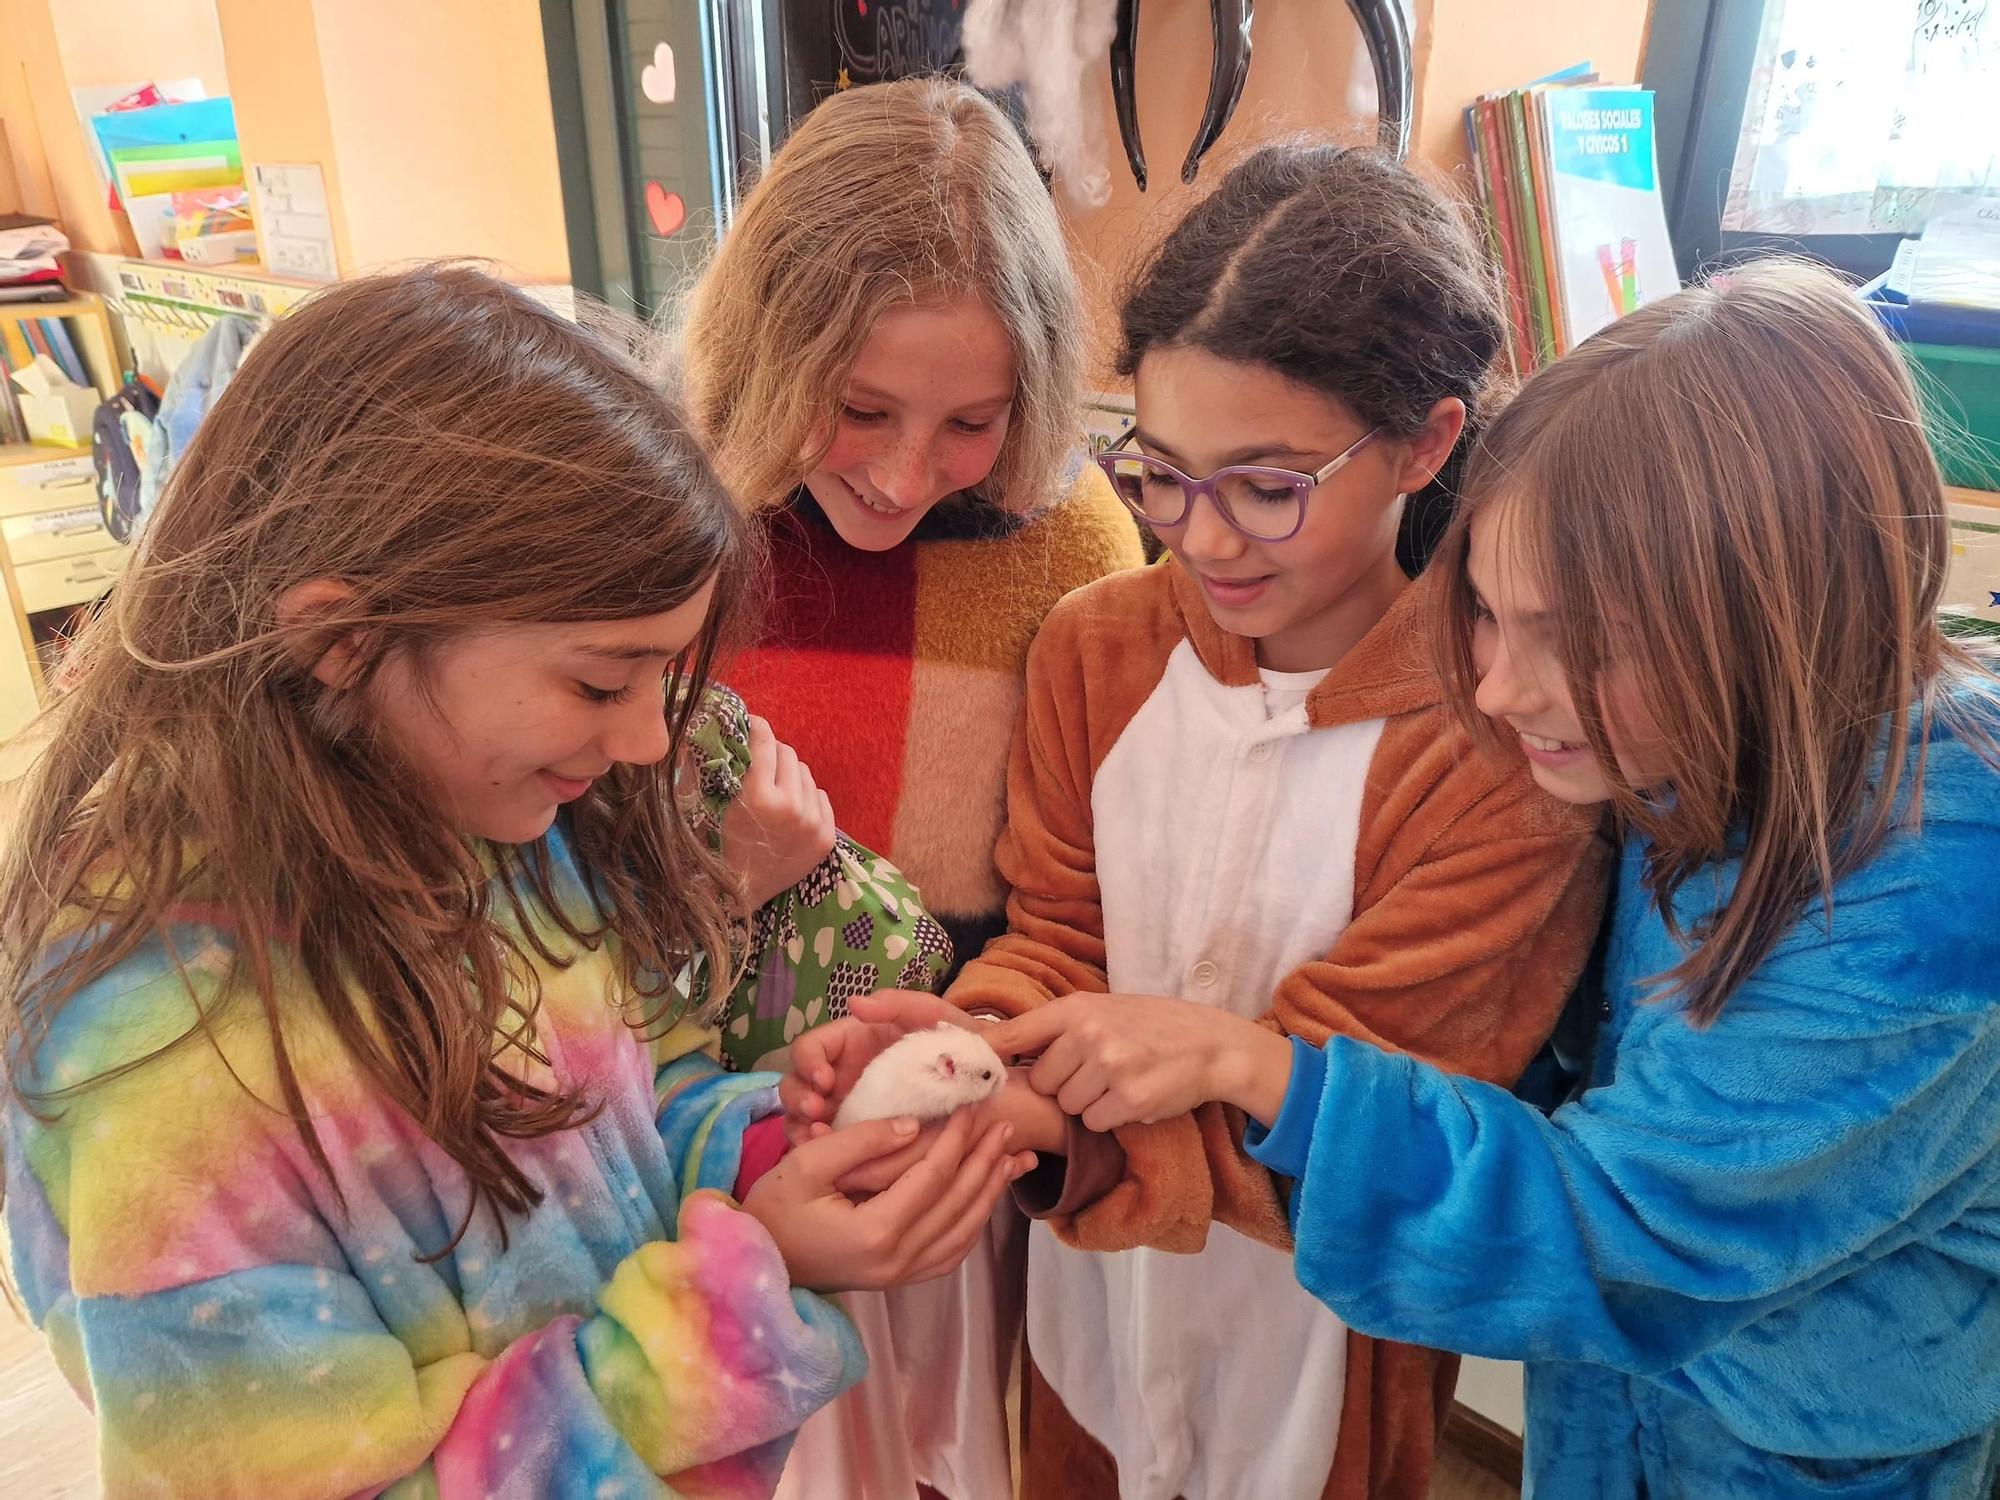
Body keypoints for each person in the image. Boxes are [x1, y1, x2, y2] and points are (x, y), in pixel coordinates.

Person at [0, 266, 1031, 1500]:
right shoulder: (165, 1049)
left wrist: (782, 1141)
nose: (650, 742)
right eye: (601, 684)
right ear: (344, 637)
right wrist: (740, 1283)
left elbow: (639, 1112)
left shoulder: (515, 823)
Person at [988, 261, 2000, 1499]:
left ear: (1771, 611)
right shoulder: (1666, 745)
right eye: (1486, 613)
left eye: (1582, 641)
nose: (1502, 690)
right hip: (1605, 1423)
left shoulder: (1931, 882)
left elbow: (1622, 1236)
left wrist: (1254, 1064)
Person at [787, 142, 1608, 1499]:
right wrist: (965, 1046)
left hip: (1323, 1369)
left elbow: (1378, 1122)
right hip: (1087, 1332)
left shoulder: (1498, 744)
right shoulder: (1096, 649)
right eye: (1160, 474)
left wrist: (1057, 1121)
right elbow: (1058, 934)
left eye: (1268, 485)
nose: (1203, 539)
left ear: (1425, 441)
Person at [680, 76, 1142, 1500]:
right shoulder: (676, 519)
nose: (899, 476)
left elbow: (1091, 882)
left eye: (970, 425)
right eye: (860, 407)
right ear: (772, 347)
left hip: (963, 1126)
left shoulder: (1074, 543)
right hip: (711, 1124)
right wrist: (729, 889)